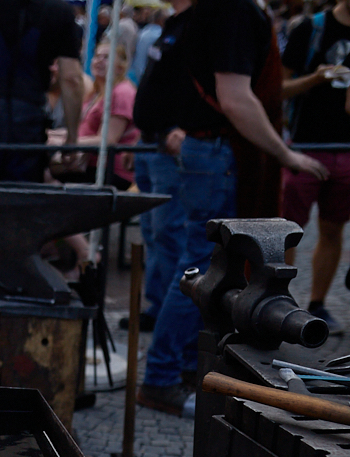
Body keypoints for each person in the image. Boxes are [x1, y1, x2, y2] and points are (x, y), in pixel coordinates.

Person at [137, 0, 329, 416]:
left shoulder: (226, 9)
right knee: (202, 268)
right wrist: (285, 154)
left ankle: (184, 367)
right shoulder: (232, 9)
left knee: (208, 266)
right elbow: (235, 98)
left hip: (214, 151)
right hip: (217, 153)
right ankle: (161, 377)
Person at [278, 0, 350, 336]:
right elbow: (279, 89)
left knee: (333, 229)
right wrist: (316, 77)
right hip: (305, 147)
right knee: (286, 231)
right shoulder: (311, 29)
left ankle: (317, 304)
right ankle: (277, 302)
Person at [0, 0, 83, 183]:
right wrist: (72, 138)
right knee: (20, 192)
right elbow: (72, 79)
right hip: (28, 118)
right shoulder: (60, 11)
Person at [129, 0, 192, 335]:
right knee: (155, 232)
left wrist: (185, 127)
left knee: (167, 232)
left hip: (168, 145)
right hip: (150, 142)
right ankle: (158, 305)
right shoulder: (173, 24)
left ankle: (169, 310)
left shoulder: (196, 25)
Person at [58, 44, 140, 190]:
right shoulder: (96, 93)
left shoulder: (122, 92)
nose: (99, 61)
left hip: (109, 170)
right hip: (86, 162)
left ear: (120, 67)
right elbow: (84, 132)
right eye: (97, 56)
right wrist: (53, 136)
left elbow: (108, 140)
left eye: (106, 57)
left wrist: (67, 143)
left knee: (46, 173)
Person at [129, 7, 166, 83]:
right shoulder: (158, 35)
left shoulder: (143, 31)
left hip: (134, 73)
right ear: (161, 20)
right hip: (145, 75)